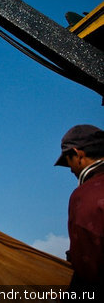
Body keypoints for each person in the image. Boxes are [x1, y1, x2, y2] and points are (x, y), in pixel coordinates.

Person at [54, 124, 104, 292]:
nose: (71, 171)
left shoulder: (84, 195)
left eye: (69, 163)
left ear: (78, 155)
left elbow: (87, 261)